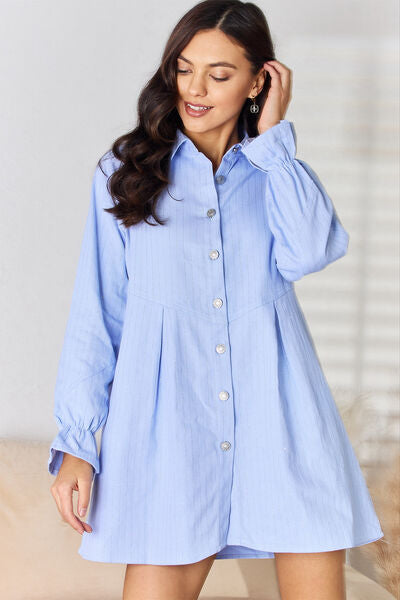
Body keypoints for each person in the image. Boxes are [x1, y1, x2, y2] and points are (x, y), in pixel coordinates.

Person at [48, 1, 384, 599]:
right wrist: (78, 444)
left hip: (281, 421)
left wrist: (274, 139)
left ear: (259, 81)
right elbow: (98, 316)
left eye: (220, 74)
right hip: (169, 431)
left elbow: (310, 252)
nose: (195, 89)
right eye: (184, 69)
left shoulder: (276, 173)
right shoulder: (126, 172)